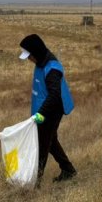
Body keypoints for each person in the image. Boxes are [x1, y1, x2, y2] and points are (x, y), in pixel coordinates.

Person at [19, 34, 77, 186]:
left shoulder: (52, 68)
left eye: (30, 55)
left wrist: (41, 113)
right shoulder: (41, 62)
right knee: (51, 141)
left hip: (52, 109)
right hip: (44, 110)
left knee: (43, 144)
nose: (29, 59)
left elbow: (54, 95)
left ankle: (35, 182)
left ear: (36, 51)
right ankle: (68, 170)